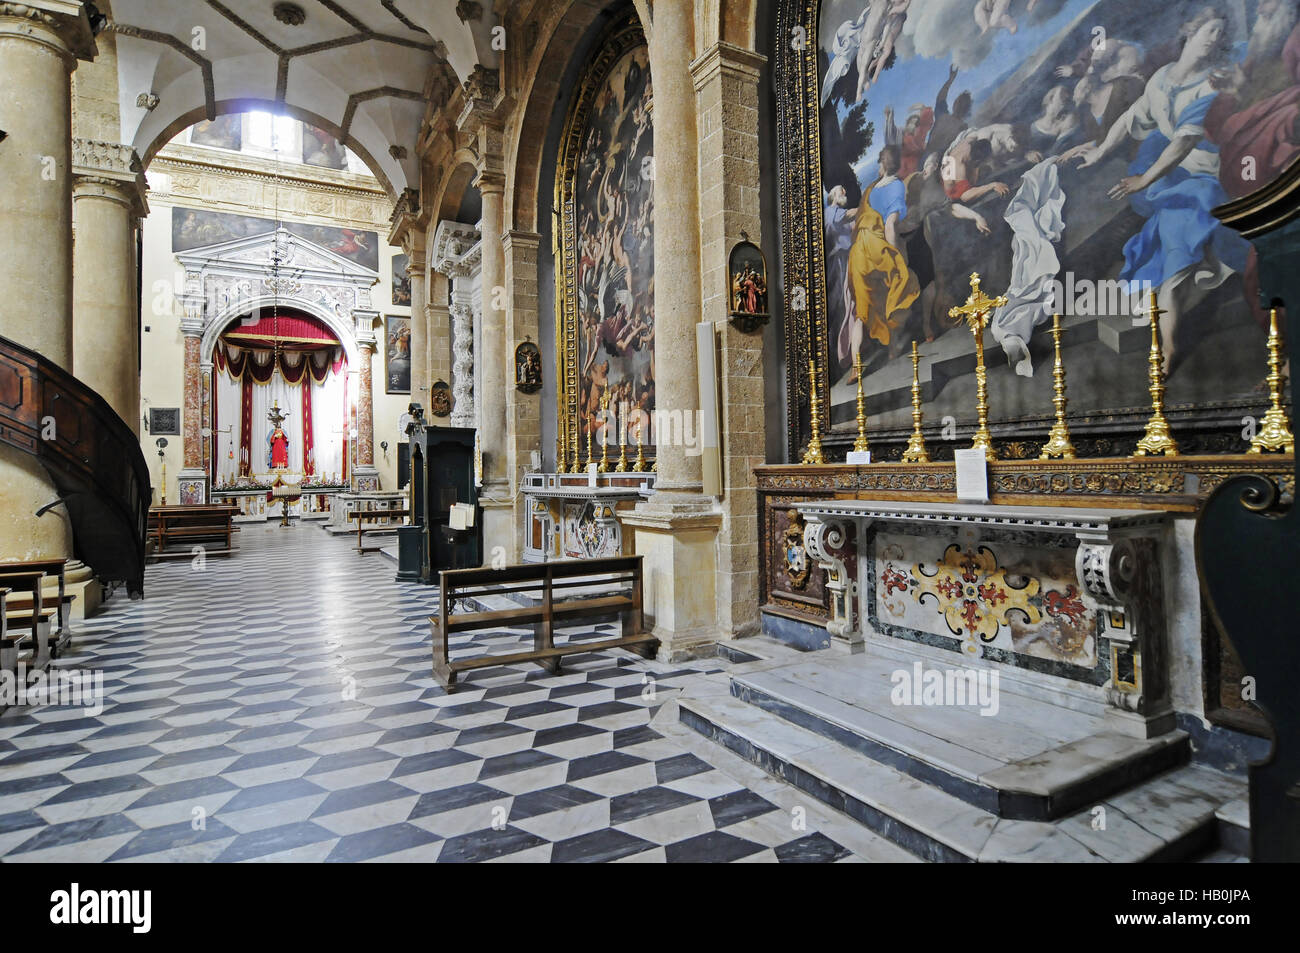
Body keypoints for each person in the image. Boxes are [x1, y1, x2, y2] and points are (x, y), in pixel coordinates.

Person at [1063, 7, 1251, 373]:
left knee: (1183, 261)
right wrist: (1100, 151)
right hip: (1174, 183)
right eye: (1208, 30)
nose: (1213, 38)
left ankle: (1171, 344)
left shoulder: (1209, 84)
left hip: (1202, 181)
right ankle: (1167, 346)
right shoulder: (1162, 78)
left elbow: (1183, 142)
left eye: (1219, 35)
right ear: (1190, 33)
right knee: (1171, 267)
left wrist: (1145, 179)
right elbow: (1133, 117)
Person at [842, 145, 919, 375]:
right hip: (877, 248)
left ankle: (857, 367)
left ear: (883, 165)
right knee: (899, 289)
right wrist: (895, 258)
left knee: (861, 314)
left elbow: (859, 222)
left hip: (858, 254)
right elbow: (890, 226)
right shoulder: (896, 186)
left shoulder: (870, 188)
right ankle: (894, 348)